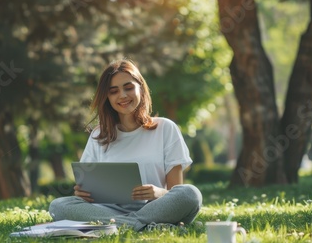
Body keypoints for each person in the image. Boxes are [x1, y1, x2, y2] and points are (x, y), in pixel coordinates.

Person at [49, 59, 202, 231]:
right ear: (107, 98)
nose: (122, 95)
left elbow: (176, 191)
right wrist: (83, 194)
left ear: (141, 88)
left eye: (128, 88)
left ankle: (123, 225)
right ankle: (141, 226)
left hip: (155, 209)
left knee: (190, 194)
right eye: (114, 91)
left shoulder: (165, 128)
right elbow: (88, 187)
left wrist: (159, 193)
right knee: (58, 205)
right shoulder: (98, 136)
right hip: (107, 210)